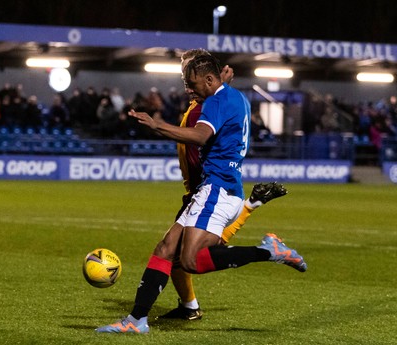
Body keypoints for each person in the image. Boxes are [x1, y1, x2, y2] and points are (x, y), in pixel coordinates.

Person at [96, 54, 307, 334]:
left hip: (218, 189)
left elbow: (199, 136)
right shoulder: (234, 97)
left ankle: (268, 252)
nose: (188, 90)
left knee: (190, 260)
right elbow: (218, 101)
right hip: (218, 188)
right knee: (165, 249)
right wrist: (218, 85)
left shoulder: (217, 101)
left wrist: (156, 124)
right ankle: (136, 321)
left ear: (210, 80)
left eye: (192, 84)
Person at [159, 49, 287, 321]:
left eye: (190, 76)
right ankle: (188, 306)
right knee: (178, 254)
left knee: (183, 253)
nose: (186, 81)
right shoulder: (206, 101)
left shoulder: (206, 106)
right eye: (184, 74)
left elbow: (203, 130)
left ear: (205, 78)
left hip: (206, 186)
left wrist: (156, 125)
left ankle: (265, 247)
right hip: (202, 187)